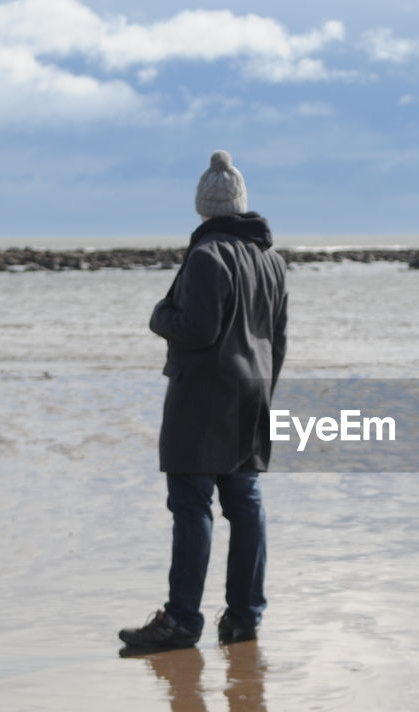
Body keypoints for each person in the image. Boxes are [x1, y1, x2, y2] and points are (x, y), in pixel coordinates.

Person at [120, 150, 288, 652]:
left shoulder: (207, 255)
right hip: (253, 394)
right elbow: (278, 341)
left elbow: (196, 329)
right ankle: (244, 618)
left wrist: (158, 315)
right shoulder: (272, 261)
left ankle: (182, 621)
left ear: (203, 207)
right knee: (245, 506)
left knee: (192, 507)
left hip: (203, 399)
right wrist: (265, 390)